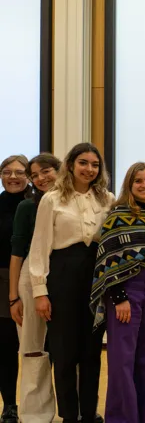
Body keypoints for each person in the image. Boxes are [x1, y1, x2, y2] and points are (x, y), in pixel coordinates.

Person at [29, 143, 114, 423]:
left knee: (91, 351)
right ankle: (68, 414)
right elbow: (40, 248)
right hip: (63, 276)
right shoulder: (52, 199)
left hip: (95, 276)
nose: (89, 169)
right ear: (70, 165)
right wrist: (40, 292)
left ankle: (89, 413)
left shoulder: (107, 200)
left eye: (94, 164)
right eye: (83, 163)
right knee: (64, 352)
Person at [90, 162, 145, 422]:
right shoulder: (117, 216)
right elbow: (108, 259)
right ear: (129, 185)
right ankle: (120, 418)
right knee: (122, 360)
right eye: (138, 181)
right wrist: (119, 298)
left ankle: (142, 417)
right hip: (126, 292)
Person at [9, 154, 60, 423]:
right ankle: (34, 415)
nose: (41, 178)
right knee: (32, 349)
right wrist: (13, 298)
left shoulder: (72, 202)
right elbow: (17, 253)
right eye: (35, 175)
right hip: (30, 279)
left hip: (65, 277)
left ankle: (73, 410)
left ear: (61, 171)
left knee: (68, 349)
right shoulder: (27, 208)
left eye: (46, 171)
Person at [0, 155, 30, 423]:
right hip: (1, 282)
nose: (13, 177)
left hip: (35, 280)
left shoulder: (38, 204)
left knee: (39, 347)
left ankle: (37, 403)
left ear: (28, 175)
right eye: (7, 172)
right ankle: (9, 404)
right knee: (6, 347)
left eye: (19, 172)